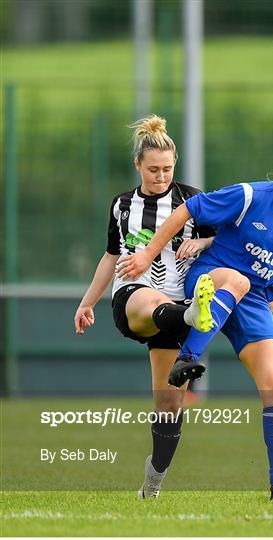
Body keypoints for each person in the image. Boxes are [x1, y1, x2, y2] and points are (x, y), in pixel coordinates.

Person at [116, 137, 273, 502]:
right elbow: (188, 211)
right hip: (212, 277)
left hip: (255, 302)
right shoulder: (250, 195)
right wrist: (150, 253)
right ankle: (188, 357)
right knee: (237, 279)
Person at [73, 115, 216, 499]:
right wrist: (88, 302)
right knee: (146, 298)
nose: (161, 176)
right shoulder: (122, 206)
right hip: (134, 298)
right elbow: (110, 256)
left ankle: (152, 483)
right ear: (138, 165)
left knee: (169, 403)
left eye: (168, 169)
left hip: (180, 303)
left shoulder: (191, 200)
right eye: (153, 169)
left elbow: (221, 240)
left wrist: (200, 244)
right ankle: (189, 314)